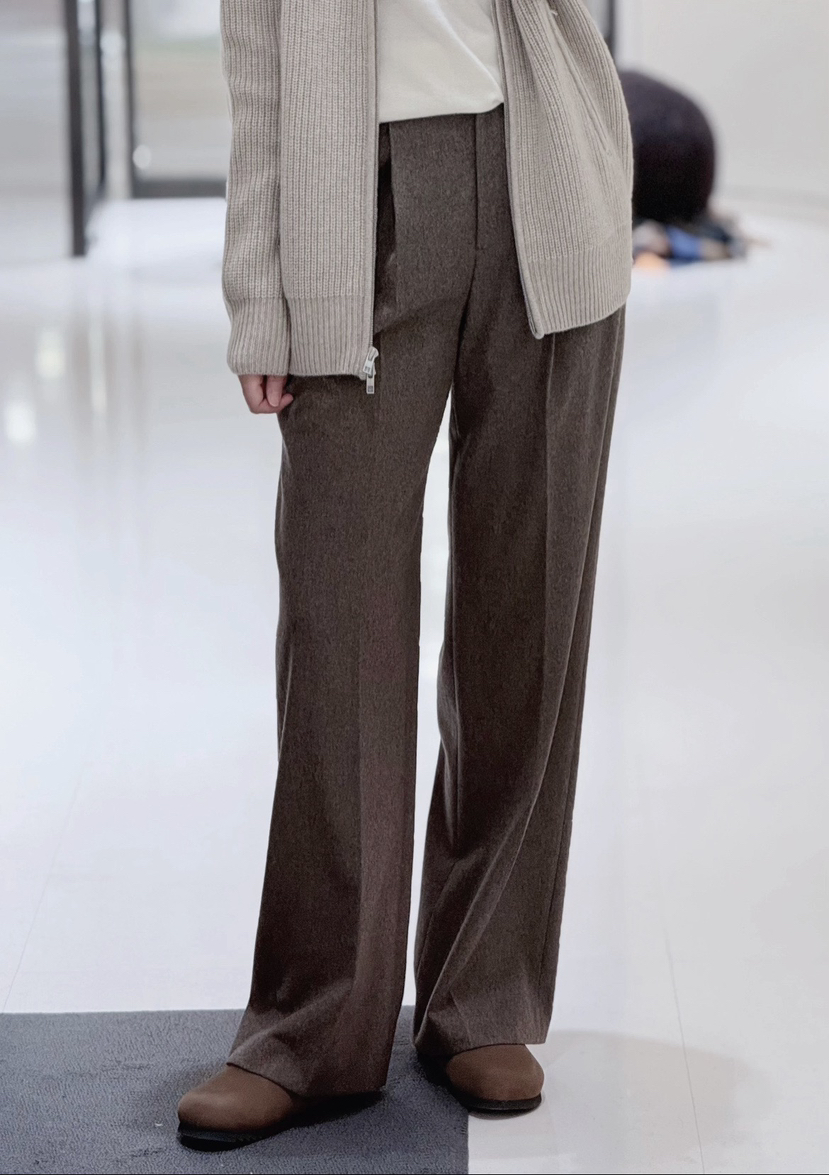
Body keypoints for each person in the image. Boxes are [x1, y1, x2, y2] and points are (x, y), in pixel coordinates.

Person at [177, 0, 633, 1150]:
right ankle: (314, 1024)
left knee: (525, 619)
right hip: (354, 199)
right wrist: (258, 289)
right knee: (339, 633)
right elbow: (258, 56)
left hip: (545, 175)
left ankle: (484, 995)